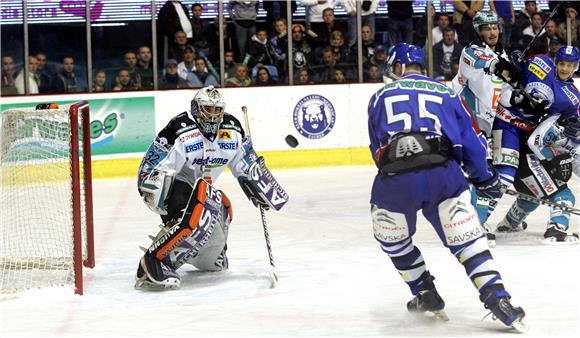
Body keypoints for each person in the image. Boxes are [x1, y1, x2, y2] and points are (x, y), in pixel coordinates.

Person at [368, 42, 527, 331]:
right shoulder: (447, 92)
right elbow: (471, 142)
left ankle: (424, 292)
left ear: (400, 68)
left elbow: (377, 150)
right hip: (443, 174)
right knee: (468, 240)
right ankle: (498, 300)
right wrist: (484, 178)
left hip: (395, 179)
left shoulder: (378, 97)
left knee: (391, 236)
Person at [134, 86, 288, 289]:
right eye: (208, 109)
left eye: (217, 110)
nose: (213, 115)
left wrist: (260, 186)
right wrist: (164, 203)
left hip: (201, 187)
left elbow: (245, 163)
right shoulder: (181, 129)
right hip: (173, 185)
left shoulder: (232, 129)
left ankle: (202, 255)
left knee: (218, 212)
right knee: (198, 207)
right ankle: (153, 261)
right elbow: (155, 166)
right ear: (196, 108)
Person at [493, 46, 580, 244]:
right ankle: (556, 230)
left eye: (570, 65)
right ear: (555, 61)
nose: (565, 68)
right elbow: (514, 72)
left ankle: (509, 223)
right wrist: (516, 63)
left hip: (528, 146)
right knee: (561, 193)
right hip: (510, 133)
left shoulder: (573, 96)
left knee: (529, 192)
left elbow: (574, 123)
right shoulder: (538, 62)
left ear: (576, 67)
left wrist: (574, 126)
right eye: (562, 64)